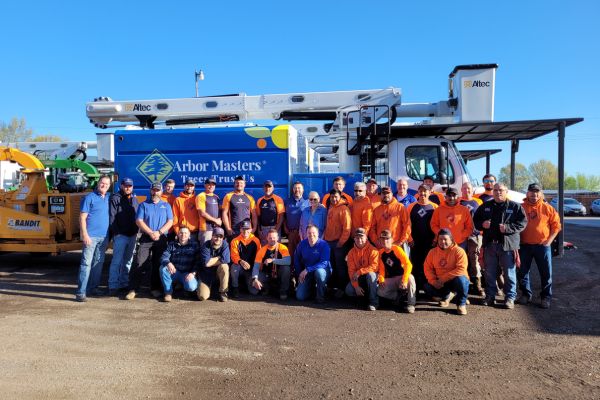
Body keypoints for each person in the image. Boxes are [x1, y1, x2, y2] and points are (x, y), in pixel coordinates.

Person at [474, 182, 527, 309]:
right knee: (490, 273)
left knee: (509, 273)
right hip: (490, 245)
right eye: (496, 190)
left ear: (506, 191)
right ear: (493, 192)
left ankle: (509, 298)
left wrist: (508, 228)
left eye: (501, 190)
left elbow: (523, 223)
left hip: (507, 246)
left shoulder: (515, 206)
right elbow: (476, 221)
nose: (498, 192)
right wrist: (482, 224)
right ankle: (490, 296)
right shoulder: (485, 206)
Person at [125, 182, 174, 300]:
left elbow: (170, 221)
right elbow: (139, 221)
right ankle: (133, 289)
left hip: (161, 238)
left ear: (161, 192)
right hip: (147, 237)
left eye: (157, 190)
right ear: (150, 190)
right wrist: (151, 232)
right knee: (139, 262)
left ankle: (155, 288)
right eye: (153, 190)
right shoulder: (143, 205)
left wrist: (159, 232)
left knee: (158, 263)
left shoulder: (166, 205)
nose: (155, 192)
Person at [518, 183, 561, 309]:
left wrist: (549, 241)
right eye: (531, 192)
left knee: (546, 273)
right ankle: (526, 294)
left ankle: (545, 297)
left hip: (542, 246)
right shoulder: (521, 207)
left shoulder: (548, 208)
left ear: (541, 194)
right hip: (524, 245)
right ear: (527, 193)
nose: (534, 195)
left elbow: (556, 226)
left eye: (537, 192)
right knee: (523, 272)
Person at [75, 175, 111, 302]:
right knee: (86, 264)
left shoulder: (108, 197)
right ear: (98, 183)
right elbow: (82, 218)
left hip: (104, 237)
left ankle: (93, 288)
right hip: (91, 237)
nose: (104, 186)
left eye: (107, 184)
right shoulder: (89, 197)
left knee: (98, 264)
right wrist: (85, 235)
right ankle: (81, 292)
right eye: (102, 183)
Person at [423, 228, 470, 315]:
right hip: (440, 282)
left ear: (451, 239)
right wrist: (433, 281)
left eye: (445, 239)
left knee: (462, 281)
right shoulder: (432, 252)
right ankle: (447, 296)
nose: (442, 241)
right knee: (427, 286)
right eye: (440, 239)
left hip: (454, 281)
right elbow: (427, 268)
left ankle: (461, 304)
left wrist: (443, 279)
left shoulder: (459, 251)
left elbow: (461, 269)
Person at [107, 177, 139, 296]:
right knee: (117, 261)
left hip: (132, 235)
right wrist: (117, 233)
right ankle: (113, 285)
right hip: (121, 235)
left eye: (130, 186)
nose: (127, 188)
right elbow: (112, 217)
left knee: (128, 261)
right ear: (121, 186)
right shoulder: (115, 198)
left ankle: (124, 283)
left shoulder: (134, 199)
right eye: (125, 185)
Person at [406, 184, 438, 291]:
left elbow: (438, 225)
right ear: (418, 192)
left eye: (425, 191)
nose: (423, 193)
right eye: (421, 191)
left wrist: (435, 240)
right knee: (416, 265)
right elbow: (407, 225)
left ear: (430, 193)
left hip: (430, 243)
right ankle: (416, 290)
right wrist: (409, 239)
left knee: (429, 266)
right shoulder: (411, 207)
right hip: (415, 243)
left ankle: (429, 289)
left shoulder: (435, 207)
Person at [377, 230, 417, 313]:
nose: (385, 241)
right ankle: (399, 297)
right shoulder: (380, 253)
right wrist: (381, 280)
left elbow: (408, 264)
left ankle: (411, 304)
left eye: (387, 239)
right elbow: (381, 270)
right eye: (383, 239)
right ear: (380, 240)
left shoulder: (397, 249)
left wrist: (404, 280)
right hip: (392, 279)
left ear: (392, 240)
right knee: (379, 291)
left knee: (411, 278)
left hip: (402, 277)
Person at [322, 189, 352, 297]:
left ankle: (342, 289)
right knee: (331, 266)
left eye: (336, 197)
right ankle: (332, 287)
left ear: (340, 197)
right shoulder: (330, 208)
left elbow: (347, 228)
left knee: (340, 267)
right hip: (329, 242)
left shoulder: (344, 209)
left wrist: (341, 242)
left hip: (339, 243)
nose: (334, 199)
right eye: (332, 197)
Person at [159, 226, 200, 302]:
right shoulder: (172, 244)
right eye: (181, 233)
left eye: (185, 233)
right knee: (163, 268)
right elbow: (164, 256)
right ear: (178, 234)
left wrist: (193, 273)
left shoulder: (194, 245)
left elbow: (198, 261)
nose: (183, 235)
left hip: (187, 274)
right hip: (174, 272)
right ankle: (168, 293)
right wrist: (168, 263)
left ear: (189, 235)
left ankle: (184, 288)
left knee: (192, 287)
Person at [345, 228, 380, 311]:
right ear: (354, 239)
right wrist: (356, 286)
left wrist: (360, 271)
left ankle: (374, 302)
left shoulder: (373, 250)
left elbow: (375, 267)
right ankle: (362, 297)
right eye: (357, 237)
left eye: (361, 237)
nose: (359, 240)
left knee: (371, 275)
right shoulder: (351, 253)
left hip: (371, 278)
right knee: (349, 290)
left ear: (366, 238)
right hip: (359, 278)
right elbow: (351, 271)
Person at [294, 225, 331, 303]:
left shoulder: (324, 245)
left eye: (313, 233)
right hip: (307, 272)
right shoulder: (302, 244)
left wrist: (307, 269)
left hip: (322, 271)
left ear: (318, 233)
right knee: (300, 296)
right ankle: (312, 289)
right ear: (306, 234)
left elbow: (324, 263)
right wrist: (299, 274)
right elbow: (296, 259)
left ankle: (320, 296)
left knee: (319, 272)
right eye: (309, 233)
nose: (311, 235)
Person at [460, 182, 485, 296]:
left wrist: (480, 231)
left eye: (469, 188)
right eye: (464, 188)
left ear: (472, 190)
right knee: (461, 259)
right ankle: (462, 283)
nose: (467, 190)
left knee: (474, 259)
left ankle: (477, 284)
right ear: (461, 190)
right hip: (460, 235)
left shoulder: (478, 202)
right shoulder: (457, 201)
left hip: (475, 235)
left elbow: (483, 217)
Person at [252, 229, 292, 300]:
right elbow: (256, 266)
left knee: (286, 268)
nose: (272, 239)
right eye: (270, 238)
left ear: (278, 238)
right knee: (253, 289)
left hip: (279, 275)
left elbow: (288, 261)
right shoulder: (262, 250)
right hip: (267, 275)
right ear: (266, 238)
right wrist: (255, 279)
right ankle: (267, 288)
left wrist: (273, 260)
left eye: (274, 238)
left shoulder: (282, 247)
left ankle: (283, 291)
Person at [197, 227, 230, 302]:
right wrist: (219, 257)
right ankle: (209, 288)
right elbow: (207, 263)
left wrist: (212, 261)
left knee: (224, 266)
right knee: (202, 296)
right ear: (212, 236)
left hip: (218, 273)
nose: (218, 238)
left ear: (223, 238)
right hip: (206, 274)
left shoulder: (225, 244)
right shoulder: (206, 245)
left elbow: (226, 260)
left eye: (220, 236)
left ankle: (223, 292)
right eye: (216, 236)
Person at [229, 220, 261, 298]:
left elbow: (259, 257)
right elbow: (234, 256)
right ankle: (235, 287)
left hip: (251, 269)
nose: (245, 231)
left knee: (254, 292)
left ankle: (246, 283)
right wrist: (240, 261)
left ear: (251, 229)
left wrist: (255, 273)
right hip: (240, 267)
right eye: (243, 229)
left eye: (247, 229)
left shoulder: (256, 240)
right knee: (234, 267)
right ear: (240, 229)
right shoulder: (235, 241)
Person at [283, 181, 309, 264]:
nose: (297, 190)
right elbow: (283, 216)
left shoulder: (307, 202)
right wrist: (285, 227)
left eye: (299, 188)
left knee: (302, 255)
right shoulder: (287, 201)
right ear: (292, 190)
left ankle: (301, 275)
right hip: (291, 233)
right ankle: (291, 274)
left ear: (303, 190)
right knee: (291, 255)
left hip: (303, 234)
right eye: (295, 188)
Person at [256, 180, 285, 244]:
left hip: (275, 227)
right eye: (266, 187)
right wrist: (259, 230)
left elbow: (281, 216)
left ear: (273, 188)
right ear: (263, 188)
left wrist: (276, 230)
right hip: (263, 228)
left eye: (269, 187)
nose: (267, 189)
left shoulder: (278, 199)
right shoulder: (259, 200)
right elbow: (258, 217)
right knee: (265, 248)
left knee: (275, 248)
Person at [195, 177, 222, 243]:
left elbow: (219, 211)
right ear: (205, 185)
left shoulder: (216, 197)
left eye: (213, 185)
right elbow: (202, 213)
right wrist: (215, 220)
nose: (211, 186)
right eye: (209, 184)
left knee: (215, 249)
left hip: (216, 228)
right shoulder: (201, 196)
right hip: (206, 229)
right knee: (205, 250)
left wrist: (219, 220)